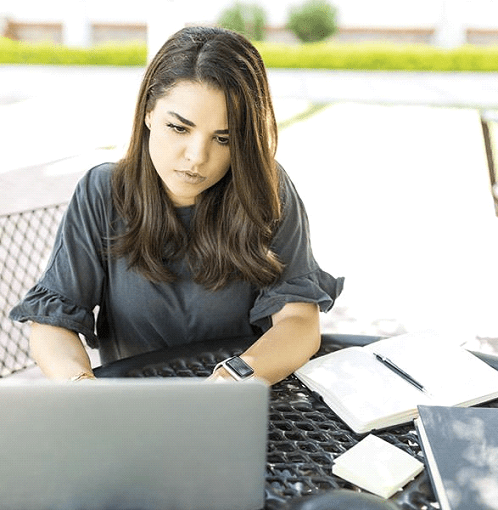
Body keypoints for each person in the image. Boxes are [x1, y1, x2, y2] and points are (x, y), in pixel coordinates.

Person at [10, 26, 343, 385]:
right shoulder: (103, 192)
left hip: (239, 402)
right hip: (133, 411)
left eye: (223, 138)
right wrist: (81, 388)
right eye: (180, 128)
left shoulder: (265, 189)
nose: (197, 157)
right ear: (149, 113)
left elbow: (299, 322)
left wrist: (233, 381)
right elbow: (50, 323)